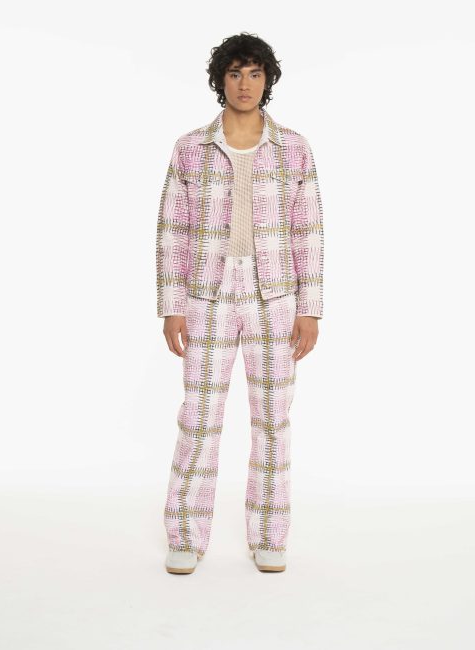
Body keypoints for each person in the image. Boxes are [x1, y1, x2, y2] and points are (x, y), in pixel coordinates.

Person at [156, 32, 324, 574]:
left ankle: (270, 535)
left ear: (267, 79)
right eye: (234, 73)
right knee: (199, 418)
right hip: (206, 296)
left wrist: (309, 308)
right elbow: (172, 231)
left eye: (254, 73)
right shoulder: (190, 148)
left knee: (273, 421)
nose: (244, 84)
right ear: (220, 80)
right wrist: (172, 305)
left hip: (275, 296)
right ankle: (185, 534)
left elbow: (308, 231)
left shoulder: (294, 148)